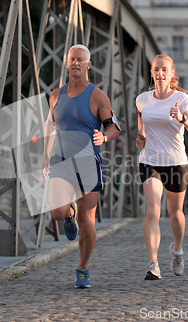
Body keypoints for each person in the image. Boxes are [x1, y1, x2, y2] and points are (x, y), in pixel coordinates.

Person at [40, 44, 120, 288]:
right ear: (67, 63)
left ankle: (83, 268)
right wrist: (45, 155)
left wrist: (104, 137)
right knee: (56, 212)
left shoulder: (98, 96)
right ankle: (68, 214)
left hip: (87, 164)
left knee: (88, 223)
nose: (75, 63)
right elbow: (50, 125)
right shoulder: (56, 95)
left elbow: (114, 127)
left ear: (88, 65)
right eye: (71, 59)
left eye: (80, 60)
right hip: (61, 162)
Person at [135, 54, 188, 280]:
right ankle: (153, 263)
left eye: (164, 69)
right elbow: (141, 128)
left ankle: (177, 250)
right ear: (152, 73)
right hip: (150, 161)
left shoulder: (182, 100)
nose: (160, 73)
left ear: (172, 73)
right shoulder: (142, 99)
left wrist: (182, 118)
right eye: (156, 69)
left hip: (175, 162)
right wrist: (140, 139)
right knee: (153, 210)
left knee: (176, 214)